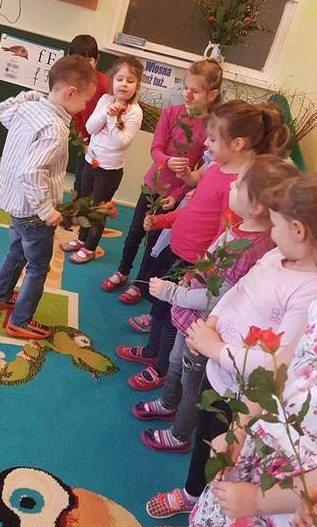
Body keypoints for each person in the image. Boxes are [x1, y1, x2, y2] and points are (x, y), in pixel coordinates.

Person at [146, 172, 317, 527]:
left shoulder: (307, 292)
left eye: (276, 224)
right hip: (217, 370)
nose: (271, 232)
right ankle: (195, 495)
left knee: (224, 459)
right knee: (206, 437)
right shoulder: (277, 256)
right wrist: (212, 323)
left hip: (241, 392)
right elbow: (236, 291)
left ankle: (201, 510)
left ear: (298, 230)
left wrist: (217, 349)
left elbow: (276, 363)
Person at [117, 99, 291, 392]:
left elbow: (225, 236)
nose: (205, 144)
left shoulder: (239, 187)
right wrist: (162, 221)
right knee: (160, 307)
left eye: (212, 139)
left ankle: (160, 367)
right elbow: (193, 209)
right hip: (178, 250)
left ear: (237, 143)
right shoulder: (215, 169)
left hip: (193, 262)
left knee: (172, 317)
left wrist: (200, 270)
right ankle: (151, 351)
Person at [156, 296, 317, 527]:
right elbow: (277, 369)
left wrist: (259, 500)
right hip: (265, 448)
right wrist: (239, 429)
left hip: (293, 500)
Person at [133, 155, 299, 453]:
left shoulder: (252, 248)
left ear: (256, 206)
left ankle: (179, 434)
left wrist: (173, 293)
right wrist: (191, 277)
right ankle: (168, 402)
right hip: (197, 318)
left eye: (239, 185)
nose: (231, 185)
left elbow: (220, 293)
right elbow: (210, 262)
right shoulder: (238, 228)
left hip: (206, 324)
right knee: (176, 363)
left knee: (192, 383)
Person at [100, 58, 223, 305]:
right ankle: (123, 271)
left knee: (154, 242)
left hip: (176, 194)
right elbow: (156, 148)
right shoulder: (170, 113)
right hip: (152, 184)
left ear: (212, 95)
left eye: (195, 90)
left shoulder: (211, 127)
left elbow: (202, 170)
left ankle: (140, 283)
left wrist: (177, 195)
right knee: (135, 232)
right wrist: (167, 161)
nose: (187, 94)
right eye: (185, 87)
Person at [0, 55, 97, 340]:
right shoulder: (55, 129)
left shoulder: (29, 108)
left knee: (17, 249)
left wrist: (31, 95)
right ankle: (20, 321)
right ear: (70, 93)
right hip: (33, 210)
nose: (85, 107)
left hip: (15, 202)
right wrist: (47, 211)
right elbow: (31, 173)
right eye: (86, 100)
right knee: (38, 266)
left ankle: (0, 295)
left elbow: (3, 110)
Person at [60, 55, 144, 264]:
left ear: (137, 85)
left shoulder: (135, 112)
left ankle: (90, 248)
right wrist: (107, 112)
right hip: (91, 161)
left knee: (98, 210)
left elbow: (120, 142)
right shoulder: (106, 100)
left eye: (130, 81)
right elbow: (90, 128)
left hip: (109, 170)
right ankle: (82, 239)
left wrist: (113, 118)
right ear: (112, 80)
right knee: (84, 203)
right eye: (119, 79)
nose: (124, 84)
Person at [68, 34, 109, 197]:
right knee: (80, 181)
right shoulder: (70, 82)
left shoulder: (105, 83)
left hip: (102, 141)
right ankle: (76, 209)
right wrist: (84, 140)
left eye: (88, 61)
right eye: (78, 61)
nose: (83, 66)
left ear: (97, 60)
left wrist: (97, 140)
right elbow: (75, 114)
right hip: (86, 140)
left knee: (95, 186)